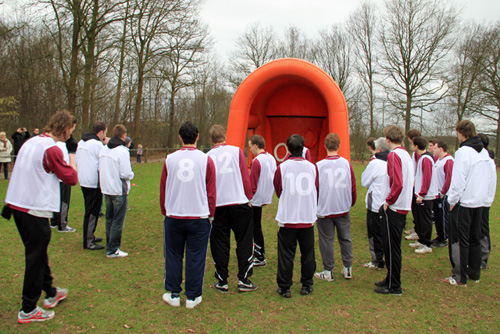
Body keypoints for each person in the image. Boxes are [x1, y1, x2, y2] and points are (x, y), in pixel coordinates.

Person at [4, 110, 78, 323]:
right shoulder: (51, 149)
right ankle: (28, 308)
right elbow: (71, 178)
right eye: (71, 130)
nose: (71, 134)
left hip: (18, 205)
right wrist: (72, 153)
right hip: (33, 208)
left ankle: (51, 292)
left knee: (37, 252)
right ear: (65, 128)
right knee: (35, 257)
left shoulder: (32, 142)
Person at [160, 121, 216, 309]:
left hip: (174, 214)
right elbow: (211, 190)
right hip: (199, 215)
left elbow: (163, 189)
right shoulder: (206, 159)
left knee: (173, 255)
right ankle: (192, 296)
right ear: (198, 137)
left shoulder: (170, 159)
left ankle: (174, 294)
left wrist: (165, 211)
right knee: (196, 256)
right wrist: (211, 214)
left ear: (180, 137)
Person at [440, 121, 496, 286]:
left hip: (464, 202)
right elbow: (489, 178)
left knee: (459, 239)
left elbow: (458, 179)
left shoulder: (463, 152)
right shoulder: (484, 152)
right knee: (475, 238)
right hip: (479, 202)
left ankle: (460, 276)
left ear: (460, 132)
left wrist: (452, 200)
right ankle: (474, 273)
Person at [207, 125, 257, 293]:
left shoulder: (207, 156)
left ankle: (222, 280)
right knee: (244, 240)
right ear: (225, 136)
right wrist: (249, 197)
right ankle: (244, 278)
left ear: (211, 139)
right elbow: (245, 176)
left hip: (219, 205)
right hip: (239, 201)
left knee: (220, 243)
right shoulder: (236, 151)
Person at [274, 134, 317, 298]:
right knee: (308, 253)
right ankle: (307, 284)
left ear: (288, 148)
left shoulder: (282, 167)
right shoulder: (313, 167)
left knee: (286, 254)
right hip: (306, 217)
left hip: (288, 217)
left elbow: (278, 189)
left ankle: (285, 287)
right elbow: (316, 187)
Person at [375, 125, 414, 295]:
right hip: (402, 205)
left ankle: (394, 285)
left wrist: (388, 201)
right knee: (393, 247)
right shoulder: (406, 154)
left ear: (388, 140)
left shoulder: (394, 156)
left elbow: (397, 183)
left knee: (391, 248)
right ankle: (390, 278)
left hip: (395, 207)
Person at [314, 133, 356, 281]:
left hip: (325, 208)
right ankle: (347, 268)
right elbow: (352, 186)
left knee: (326, 240)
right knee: (345, 238)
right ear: (339, 145)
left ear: (325, 146)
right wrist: (351, 202)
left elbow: (316, 188)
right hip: (342, 206)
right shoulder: (346, 163)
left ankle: (328, 270)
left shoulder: (319, 166)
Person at [99, 124, 134, 258]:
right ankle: (113, 249)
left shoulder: (103, 150)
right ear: (124, 135)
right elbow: (125, 173)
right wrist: (132, 175)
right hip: (118, 189)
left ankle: (110, 243)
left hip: (106, 188)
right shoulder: (122, 151)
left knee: (109, 218)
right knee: (118, 220)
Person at [76, 122, 107, 250]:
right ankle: (88, 241)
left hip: (83, 179)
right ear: (100, 132)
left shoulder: (81, 142)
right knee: (92, 211)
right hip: (93, 182)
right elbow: (104, 158)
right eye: (105, 133)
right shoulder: (96, 144)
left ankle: (90, 235)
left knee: (92, 210)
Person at [248, 134, 277, 267]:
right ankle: (257, 253)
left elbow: (252, 183)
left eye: (250, 146)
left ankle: (259, 255)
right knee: (256, 226)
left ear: (255, 145)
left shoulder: (257, 161)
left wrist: (248, 198)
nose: (250, 150)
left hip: (256, 198)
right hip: (265, 195)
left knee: (254, 227)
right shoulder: (270, 158)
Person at [361, 137, 390, 270]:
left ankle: (377, 260)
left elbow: (365, 181)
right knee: (386, 232)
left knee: (374, 233)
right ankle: (385, 258)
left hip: (376, 203)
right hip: (390, 202)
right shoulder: (394, 160)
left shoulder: (376, 163)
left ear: (379, 149)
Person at [410, 137, 438, 254]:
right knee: (421, 219)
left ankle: (427, 244)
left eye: (413, 145)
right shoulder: (423, 158)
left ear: (416, 146)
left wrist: (422, 194)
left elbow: (427, 178)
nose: (412, 147)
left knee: (426, 220)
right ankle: (421, 240)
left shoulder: (426, 159)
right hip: (422, 194)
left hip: (426, 196)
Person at [51, 120, 78, 233]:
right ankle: (62, 224)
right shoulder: (63, 145)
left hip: (56, 177)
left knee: (56, 199)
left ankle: (54, 221)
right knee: (64, 201)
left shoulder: (55, 142)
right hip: (63, 177)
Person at [431, 140, 454, 248]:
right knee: (437, 217)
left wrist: (443, 192)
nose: (433, 150)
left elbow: (449, 178)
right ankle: (439, 235)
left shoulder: (448, 161)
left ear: (441, 148)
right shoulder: (438, 160)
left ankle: (444, 238)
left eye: (435, 148)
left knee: (443, 216)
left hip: (443, 194)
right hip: (437, 193)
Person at [478, 133, 495, 269]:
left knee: (483, 228)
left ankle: (483, 258)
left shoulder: (487, 161)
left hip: (483, 201)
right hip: (479, 199)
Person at [404, 129, 421, 239]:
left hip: (416, 184)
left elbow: (418, 169)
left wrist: (414, 181)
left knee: (417, 209)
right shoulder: (415, 153)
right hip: (414, 182)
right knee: (414, 208)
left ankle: (418, 231)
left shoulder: (417, 153)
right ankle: (416, 228)